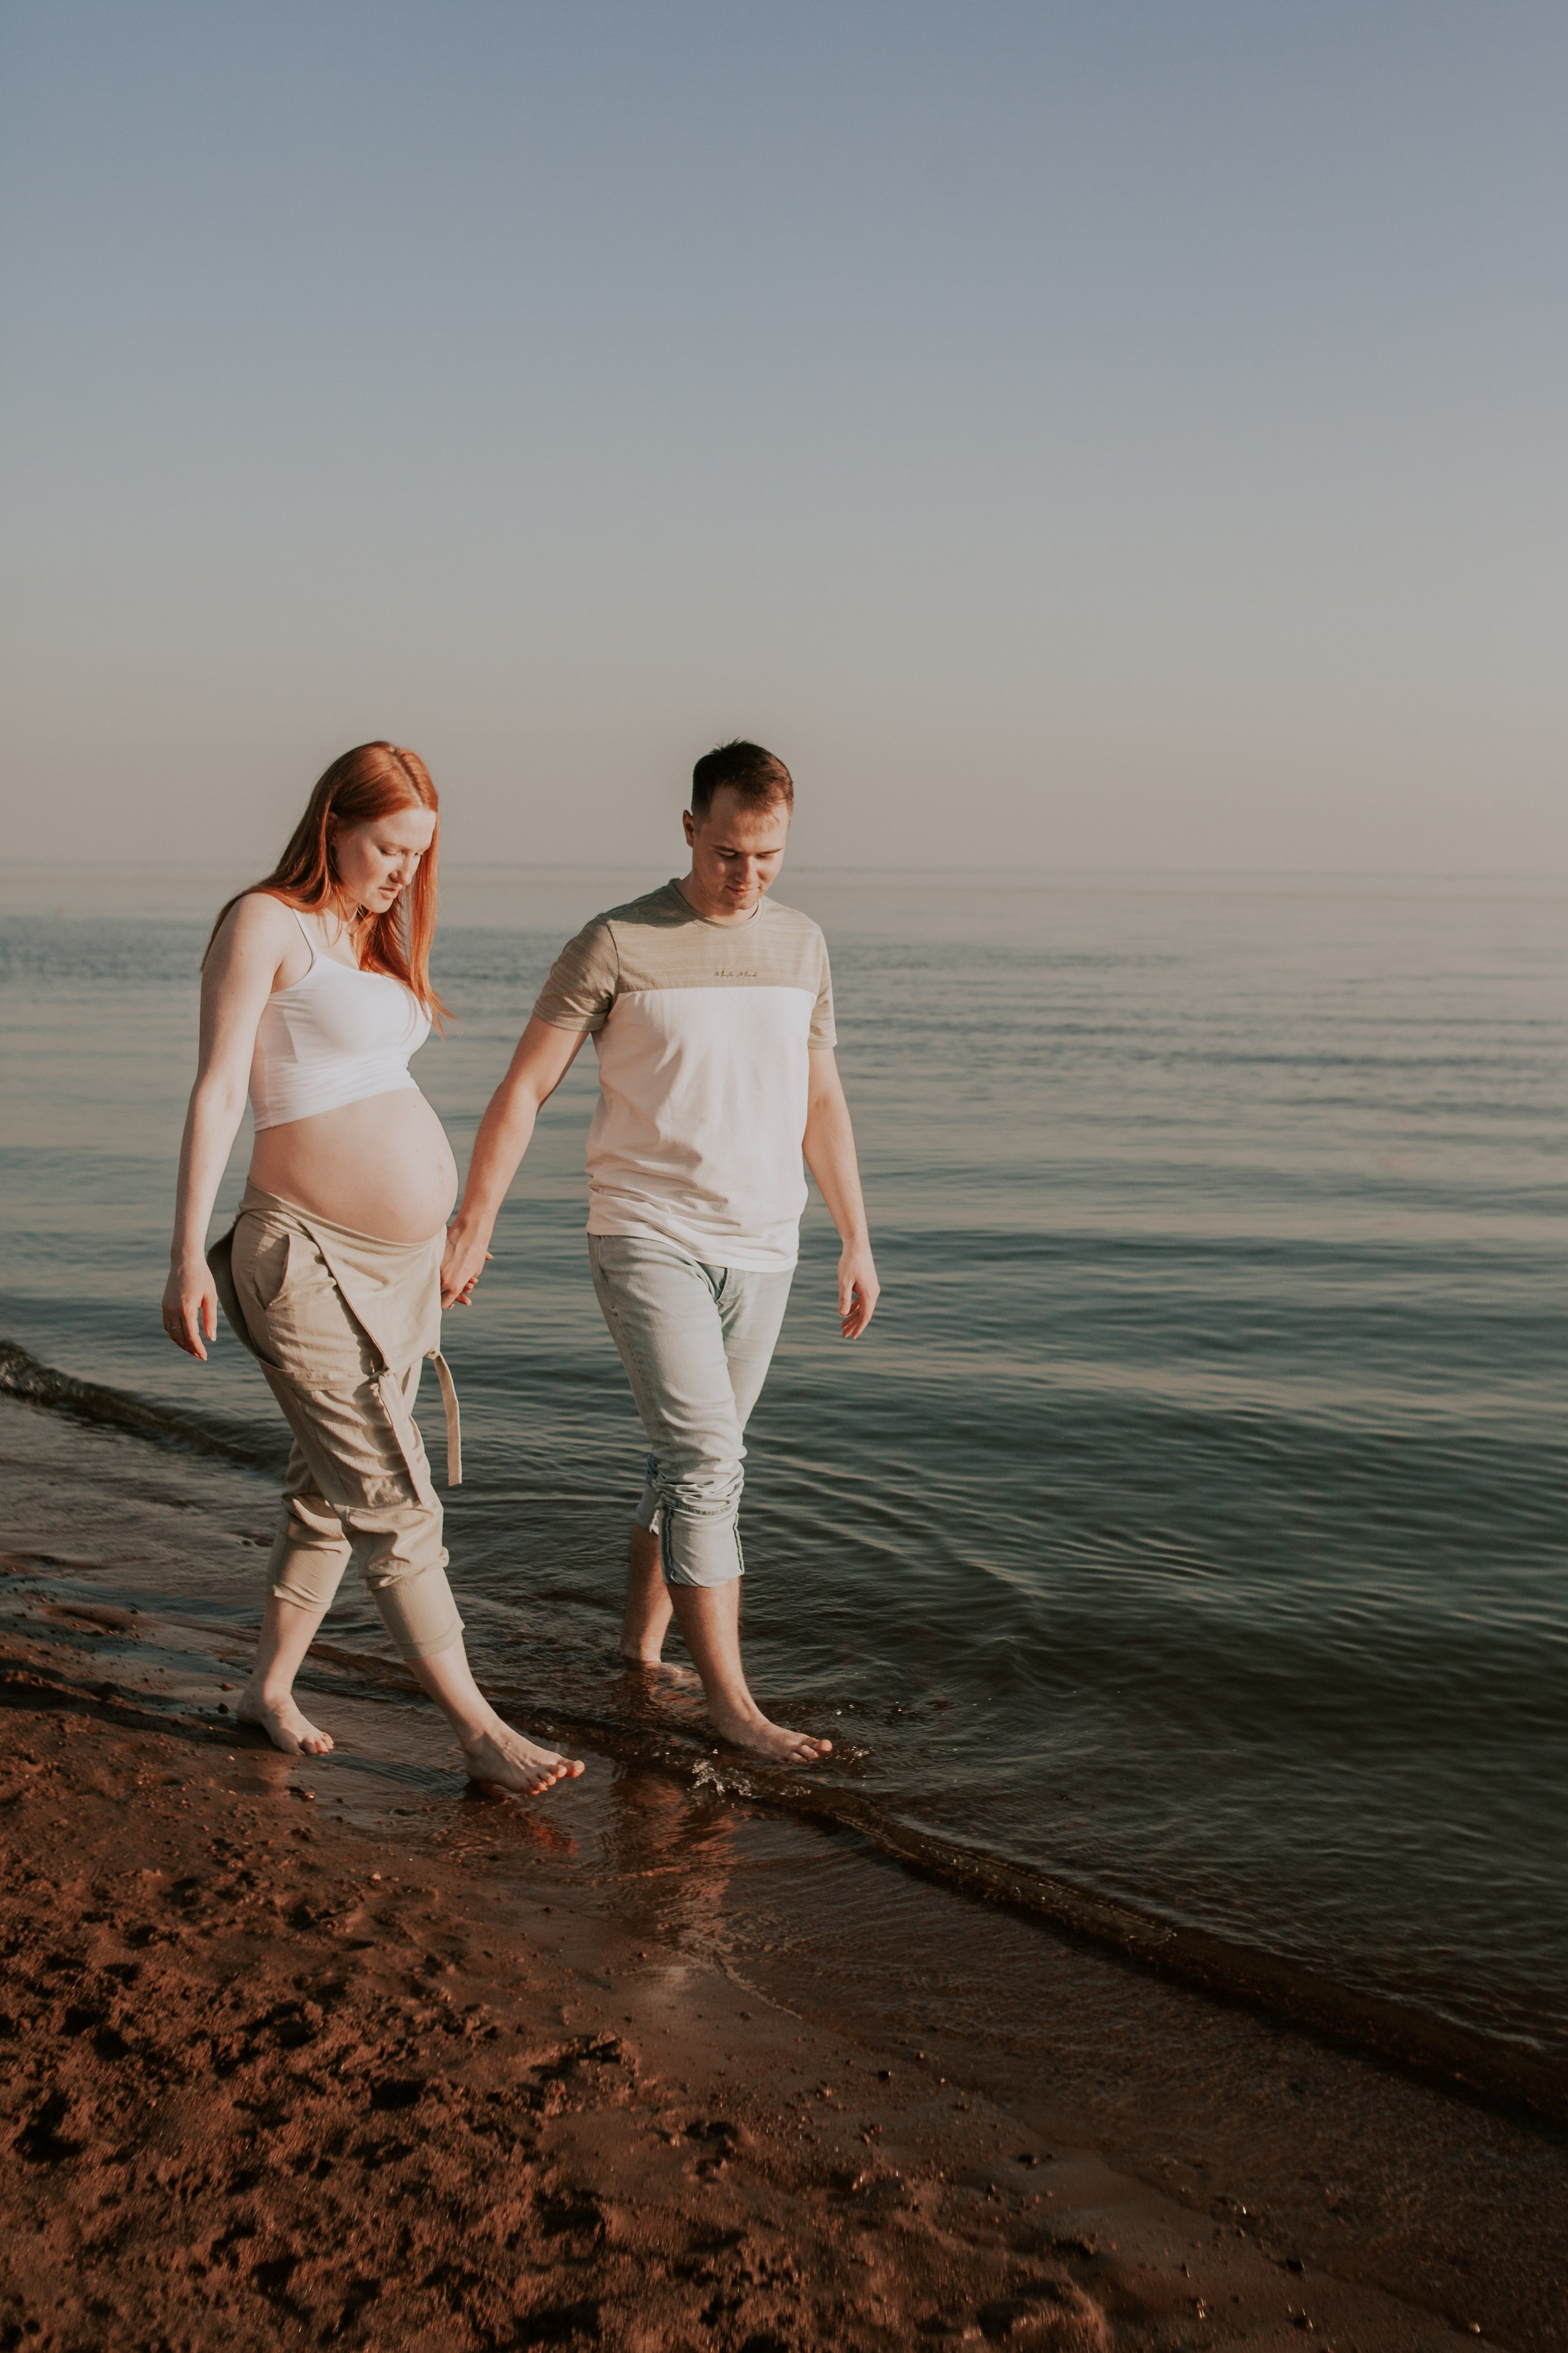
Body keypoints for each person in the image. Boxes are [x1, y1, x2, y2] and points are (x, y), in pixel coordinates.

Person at [441, 739, 879, 1765]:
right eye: (730, 851)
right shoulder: (616, 942)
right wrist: (475, 1220)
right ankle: (735, 1703)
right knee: (708, 1462)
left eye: (769, 855)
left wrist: (856, 1235)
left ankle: (640, 1653)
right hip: (645, 1233)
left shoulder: (804, 945)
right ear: (691, 829)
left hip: (766, 1243)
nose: (748, 874)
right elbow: (522, 1089)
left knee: (681, 1463)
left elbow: (821, 1099)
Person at [161, 740, 583, 1797]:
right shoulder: (265, 922)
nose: (403, 870)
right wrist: (183, 1254)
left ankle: (268, 1690)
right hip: (299, 1252)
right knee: (393, 1498)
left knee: (324, 1492)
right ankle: (479, 1728)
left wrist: (444, 1233)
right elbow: (219, 1092)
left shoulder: (367, 935)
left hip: (401, 1267)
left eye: (418, 855)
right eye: (388, 846)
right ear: (334, 822)